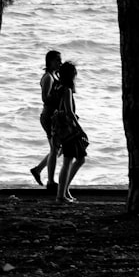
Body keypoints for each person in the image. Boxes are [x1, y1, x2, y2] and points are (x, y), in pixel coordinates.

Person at [54, 61, 88, 203]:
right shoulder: (67, 90)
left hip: (61, 128)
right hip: (69, 129)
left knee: (79, 159)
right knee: (69, 160)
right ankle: (60, 195)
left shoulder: (58, 87)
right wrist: (80, 129)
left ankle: (64, 190)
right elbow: (69, 112)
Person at [30, 50, 62, 191]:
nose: (60, 63)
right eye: (57, 60)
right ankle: (50, 181)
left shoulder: (55, 75)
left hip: (53, 115)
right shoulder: (48, 77)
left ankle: (38, 169)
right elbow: (45, 98)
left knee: (57, 148)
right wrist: (60, 97)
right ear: (49, 61)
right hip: (49, 115)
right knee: (55, 148)